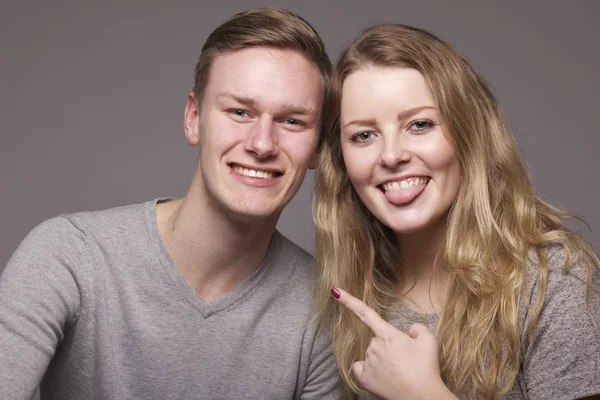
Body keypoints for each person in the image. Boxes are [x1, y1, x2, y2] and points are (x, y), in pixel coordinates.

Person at [0, 7, 339, 400]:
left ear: (317, 147)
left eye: (292, 121)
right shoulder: (69, 256)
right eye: (239, 112)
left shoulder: (321, 312)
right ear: (194, 118)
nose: (262, 144)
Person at [313, 23, 600, 400]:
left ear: (469, 134)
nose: (391, 155)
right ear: (341, 158)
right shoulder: (349, 295)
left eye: (420, 124)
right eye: (363, 135)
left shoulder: (553, 282)